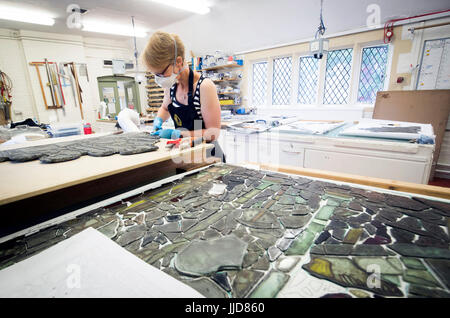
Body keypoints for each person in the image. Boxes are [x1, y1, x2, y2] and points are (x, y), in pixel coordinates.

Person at [141, 31, 225, 161]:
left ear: (178, 61)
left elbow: (213, 133)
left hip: (208, 156)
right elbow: (165, 108)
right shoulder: (171, 86)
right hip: (185, 154)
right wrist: (158, 120)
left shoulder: (204, 87)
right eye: (155, 75)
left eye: (161, 73)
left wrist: (178, 133)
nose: (159, 79)